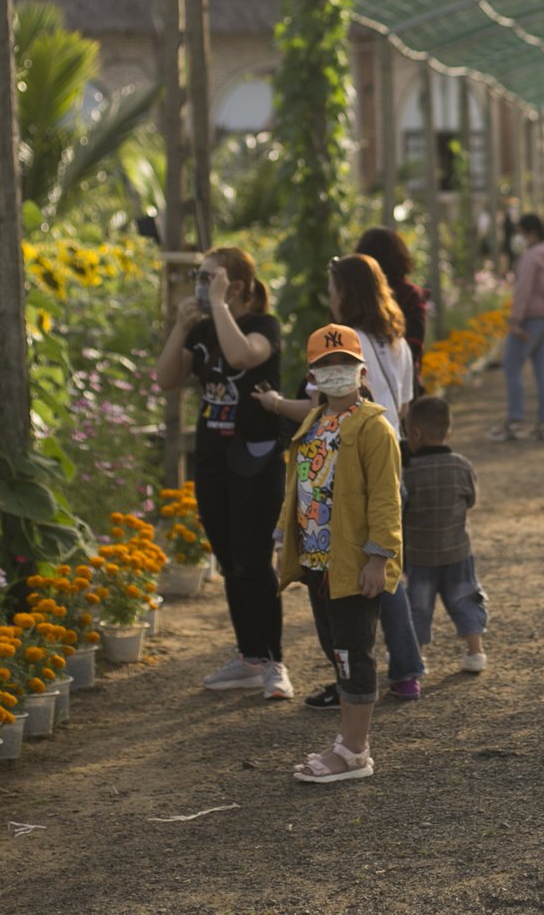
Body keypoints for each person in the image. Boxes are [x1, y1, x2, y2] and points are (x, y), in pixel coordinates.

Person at [260, 253, 426, 705]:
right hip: (388, 460)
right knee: (384, 582)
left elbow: (318, 409)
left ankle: (355, 684)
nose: (329, 298)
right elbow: (406, 405)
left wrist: (274, 403)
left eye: (333, 290)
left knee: (364, 583)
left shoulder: (352, 350)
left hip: (360, 467)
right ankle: (402, 671)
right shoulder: (397, 341)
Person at [155, 247, 295, 701]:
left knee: (255, 561)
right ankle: (249, 657)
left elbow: (240, 357)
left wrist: (217, 307)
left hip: (255, 460)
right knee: (230, 561)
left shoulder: (262, 326)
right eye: (200, 276)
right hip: (214, 460)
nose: (200, 282)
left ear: (235, 286)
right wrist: (180, 324)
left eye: (209, 276)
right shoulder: (199, 330)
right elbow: (166, 379)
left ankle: (274, 661)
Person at [274, 326, 403, 783]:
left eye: (344, 365)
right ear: (311, 374)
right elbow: (300, 486)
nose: (335, 374)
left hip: (351, 561)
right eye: (325, 366)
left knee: (353, 652)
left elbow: (387, 498)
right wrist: (283, 536)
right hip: (317, 561)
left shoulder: (373, 427)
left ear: (361, 371)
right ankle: (347, 741)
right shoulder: (313, 423)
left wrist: (377, 557)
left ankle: (353, 752)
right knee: (336, 649)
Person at [402, 396, 487, 673]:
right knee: (465, 598)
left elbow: (400, 507)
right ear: (447, 430)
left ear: (415, 433)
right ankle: (475, 652)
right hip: (457, 551)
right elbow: (471, 500)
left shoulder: (409, 472)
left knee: (418, 607)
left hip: (419, 555)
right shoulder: (461, 465)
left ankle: (417, 657)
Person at [491, 214, 544, 441]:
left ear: (529, 232)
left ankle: (514, 420)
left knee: (512, 366)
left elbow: (524, 290)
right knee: (543, 369)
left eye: (520, 232)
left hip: (530, 318)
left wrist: (515, 320)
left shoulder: (530, 258)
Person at [354, 227, 429, 392]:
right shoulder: (411, 295)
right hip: (404, 383)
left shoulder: (357, 295)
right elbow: (415, 342)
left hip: (362, 383)